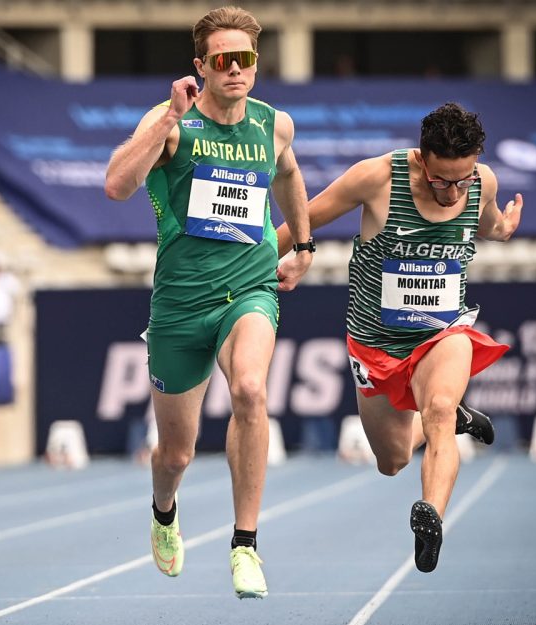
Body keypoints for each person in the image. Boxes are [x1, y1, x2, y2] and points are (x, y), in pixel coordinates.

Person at [104, 6, 312, 599]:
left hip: (248, 289)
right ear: (201, 65)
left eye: (245, 58)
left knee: (250, 389)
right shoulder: (173, 120)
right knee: (176, 452)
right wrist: (169, 114)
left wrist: (305, 243)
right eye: (222, 59)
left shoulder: (275, 125)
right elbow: (117, 185)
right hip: (180, 303)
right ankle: (164, 511)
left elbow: (289, 175)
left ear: (255, 63)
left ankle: (245, 544)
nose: (235, 69)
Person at [277, 102, 522, 573]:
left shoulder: (482, 182)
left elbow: (488, 222)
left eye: (462, 179)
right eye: (441, 180)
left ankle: (431, 513)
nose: (452, 193)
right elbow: (302, 219)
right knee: (390, 461)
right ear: (421, 158)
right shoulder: (375, 178)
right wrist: (270, 263)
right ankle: (449, 424)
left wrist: (503, 229)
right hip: (375, 344)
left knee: (439, 407)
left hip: (443, 332)